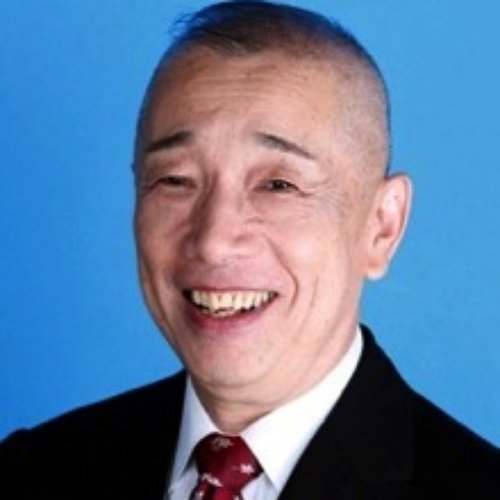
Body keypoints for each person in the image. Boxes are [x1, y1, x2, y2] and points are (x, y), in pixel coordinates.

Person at [1, 1, 499, 498]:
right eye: (175, 180)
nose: (214, 241)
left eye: (278, 185)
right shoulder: (32, 472)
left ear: (382, 226)